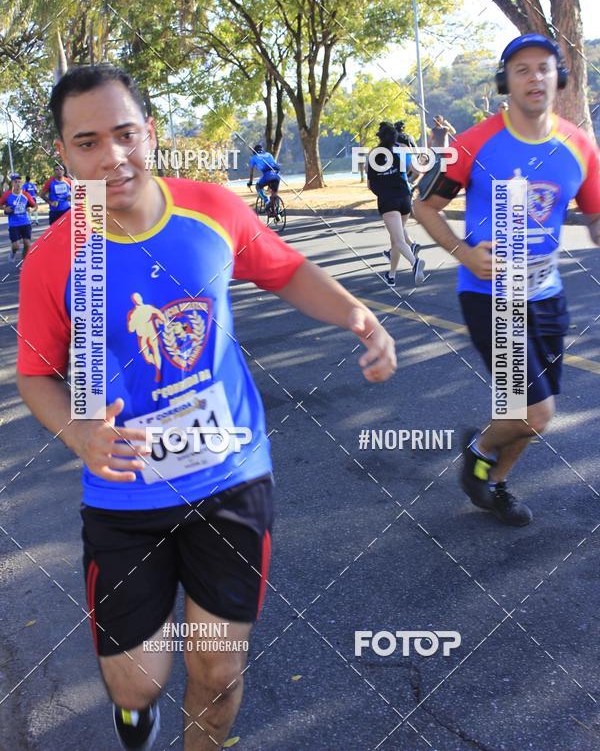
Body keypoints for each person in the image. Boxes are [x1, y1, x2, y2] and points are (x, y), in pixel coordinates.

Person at [16, 64, 396, 751]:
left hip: (230, 479)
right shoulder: (53, 259)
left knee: (218, 672)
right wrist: (78, 432)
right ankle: (135, 712)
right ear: (65, 155)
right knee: (137, 682)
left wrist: (359, 316)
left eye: (126, 133)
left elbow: (283, 269)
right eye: (89, 141)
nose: (114, 156)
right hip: (125, 499)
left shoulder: (211, 210)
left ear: (150, 132)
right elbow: (37, 375)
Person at [413, 33, 600, 526]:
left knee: (533, 418)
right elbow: (424, 205)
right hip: (490, 294)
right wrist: (461, 251)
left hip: (547, 296)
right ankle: (477, 452)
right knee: (535, 411)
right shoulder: (472, 143)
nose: (534, 76)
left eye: (544, 67)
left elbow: (596, 219)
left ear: (558, 77)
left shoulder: (580, 146)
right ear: (505, 82)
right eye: (522, 69)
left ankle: (492, 482)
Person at [367, 121, 425, 287]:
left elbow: (371, 184)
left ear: (379, 137)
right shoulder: (402, 151)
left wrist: (382, 192)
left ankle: (415, 263)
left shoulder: (373, 155)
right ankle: (391, 275)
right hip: (405, 198)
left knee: (399, 241)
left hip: (389, 201)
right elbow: (413, 171)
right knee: (395, 240)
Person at [1, 173, 36, 263]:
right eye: (16, 182)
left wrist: (31, 210)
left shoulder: (26, 195)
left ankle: (24, 262)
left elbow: (34, 206)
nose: (18, 184)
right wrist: (5, 208)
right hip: (14, 224)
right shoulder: (7, 195)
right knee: (16, 246)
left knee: (27, 244)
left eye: (19, 182)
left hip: (25, 223)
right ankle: (13, 253)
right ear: (12, 183)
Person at [247, 143, 281, 217]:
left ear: (254, 152)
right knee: (274, 193)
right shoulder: (269, 154)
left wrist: (250, 182)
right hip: (277, 174)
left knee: (258, 187)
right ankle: (277, 209)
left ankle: (267, 201)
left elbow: (251, 172)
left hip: (267, 175)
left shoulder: (254, 157)